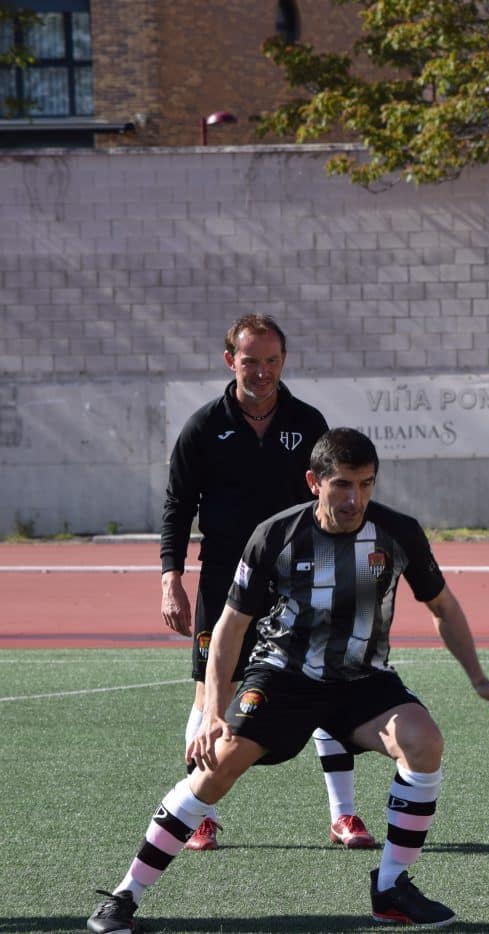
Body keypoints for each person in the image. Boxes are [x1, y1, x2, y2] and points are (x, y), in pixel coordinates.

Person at [88, 428, 489, 933]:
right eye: (342, 485)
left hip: (363, 681)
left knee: (425, 744)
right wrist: (210, 713)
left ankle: (392, 887)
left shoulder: (398, 532)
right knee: (216, 766)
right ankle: (123, 897)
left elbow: (442, 606)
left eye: (366, 484)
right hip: (284, 675)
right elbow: (230, 627)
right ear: (314, 482)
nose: (355, 498)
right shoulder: (276, 534)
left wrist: (478, 677)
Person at [160, 314, 373, 851]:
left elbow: (333, 498)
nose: (261, 371)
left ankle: (344, 816)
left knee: (325, 683)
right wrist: (171, 578)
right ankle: (199, 811)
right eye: (249, 360)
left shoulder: (308, 420)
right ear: (230, 360)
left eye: (271, 360)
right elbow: (177, 506)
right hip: (224, 581)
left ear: (283, 361)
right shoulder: (204, 426)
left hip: (300, 578)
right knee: (213, 691)